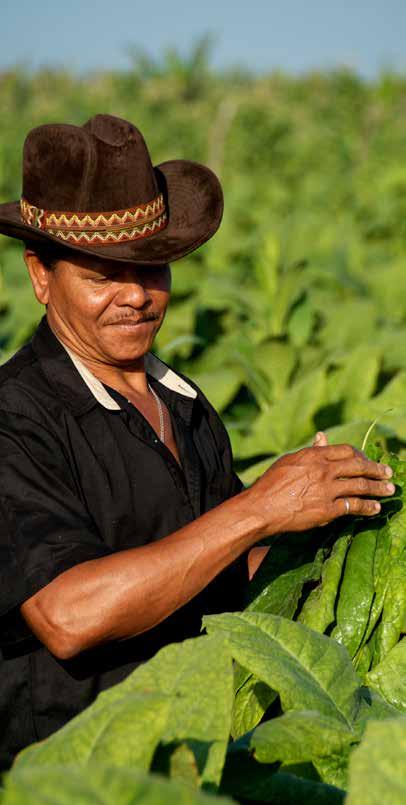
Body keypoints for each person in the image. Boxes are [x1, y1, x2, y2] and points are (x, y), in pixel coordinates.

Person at [0, 113, 394, 769]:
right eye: (102, 276)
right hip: (72, 792)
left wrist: (328, 524)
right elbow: (67, 614)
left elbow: (223, 566)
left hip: (197, 766)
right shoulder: (16, 418)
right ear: (41, 275)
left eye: (153, 271)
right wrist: (260, 507)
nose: (135, 297)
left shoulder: (179, 400)